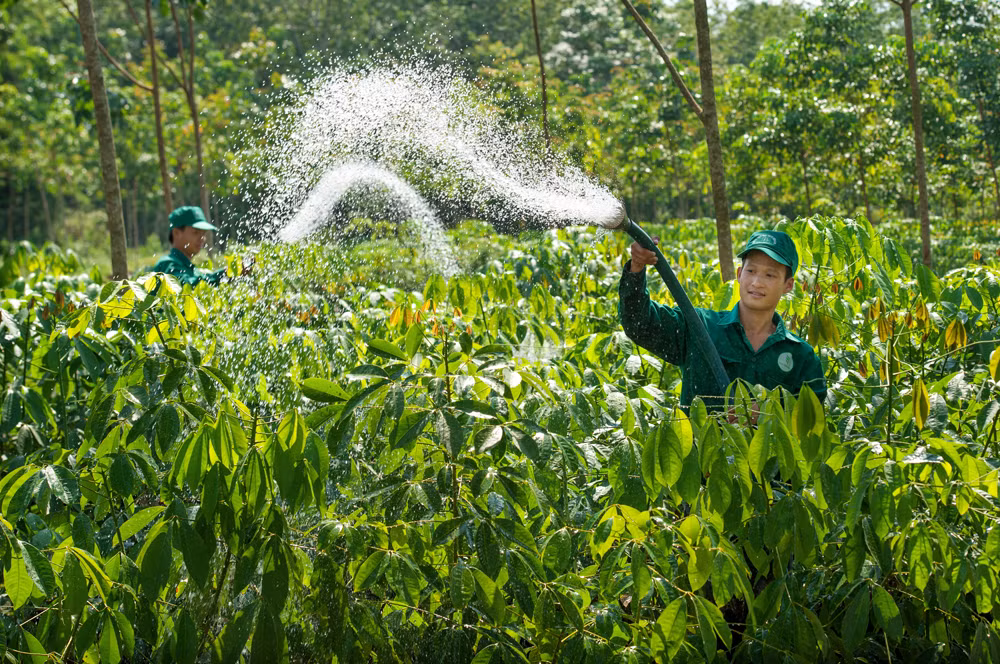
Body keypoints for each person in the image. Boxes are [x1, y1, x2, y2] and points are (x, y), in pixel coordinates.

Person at [619, 230, 827, 413]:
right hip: (701, 455)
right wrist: (637, 268)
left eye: (770, 275)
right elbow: (639, 324)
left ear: (788, 285)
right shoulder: (700, 326)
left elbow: (811, 417)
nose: (756, 282)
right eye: (751, 271)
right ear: (739, 274)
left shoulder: (802, 357)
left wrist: (766, 412)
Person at [151, 206, 230, 286]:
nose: (202, 238)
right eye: (195, 232)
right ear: (176, 233)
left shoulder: (192, 269)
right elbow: (186, 287)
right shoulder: (167, 265)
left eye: (204, 233)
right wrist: (227, 273)